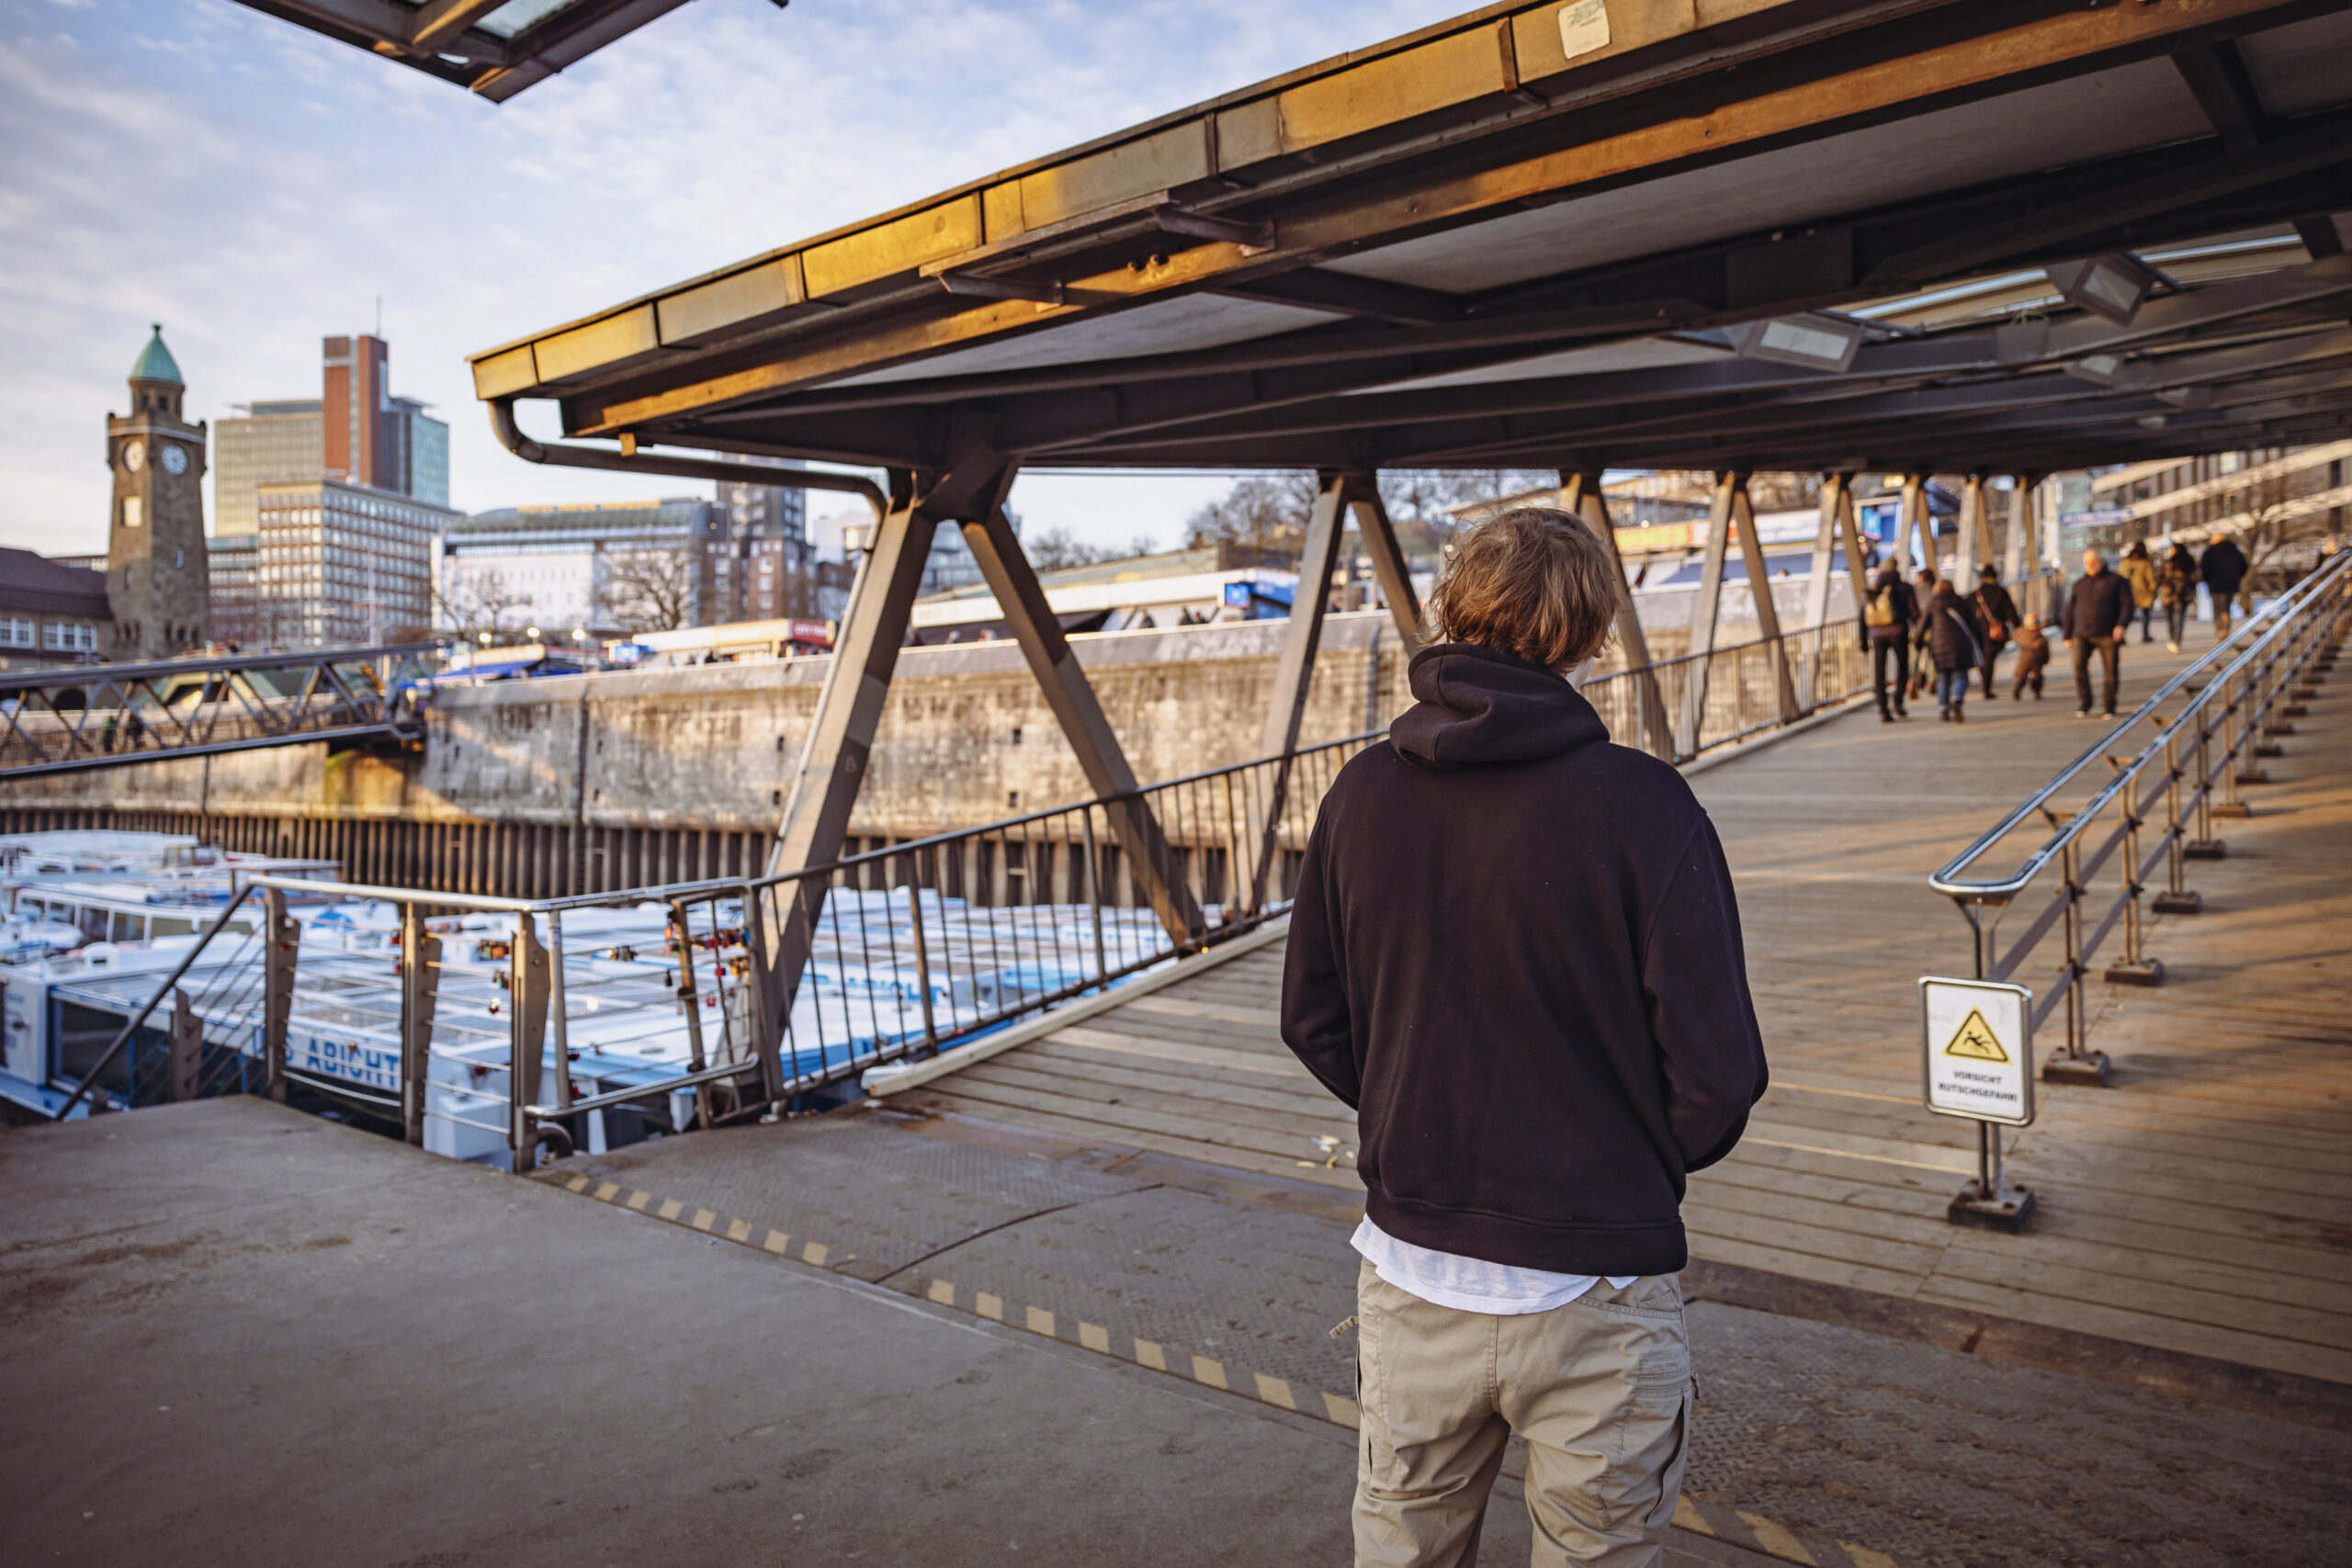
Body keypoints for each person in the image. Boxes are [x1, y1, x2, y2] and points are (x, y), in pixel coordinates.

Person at [1282, 506, 1767, 1568]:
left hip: (1412, 1274)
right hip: (1594, 1283)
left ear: (1452, 611)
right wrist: (1616, 1154)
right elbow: (1718, 1075)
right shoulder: (1645, 808)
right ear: (1592, 640)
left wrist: (1425, 1115)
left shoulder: (1361, 794)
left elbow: (1311, 1016)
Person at [2062, 547, 2132, 718]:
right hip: (2081, 633)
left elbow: (2127, 605)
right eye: (2087, 563)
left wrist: (2121, 625)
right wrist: (2067, 634)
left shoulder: (2117, 581)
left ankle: (2109, 706)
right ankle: (2086, 702)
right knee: (2079, 667)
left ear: (2102, 561)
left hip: (2107, 632)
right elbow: (2071, 609)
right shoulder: (2079, 584)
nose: (2091, 566)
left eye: (2094, 562)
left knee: (2110, 670)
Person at [1859, 562, 1920, 722]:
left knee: (1879, 672)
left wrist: (1863, 640)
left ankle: (1883, 709)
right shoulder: (1905, 587)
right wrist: (1918, 633)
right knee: (1903, 667)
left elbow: (1862, 617)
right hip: (1898, 632)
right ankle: (1898, 702)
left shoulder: (1871, 590)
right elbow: (1914, 612)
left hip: (1877, 634)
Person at [1922, 581, 1986, 723]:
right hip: (1961, 645)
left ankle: (1943, 709)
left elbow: (1922, 625)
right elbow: (1975, 625)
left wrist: (1917, 642)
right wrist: (1981, 643)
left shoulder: (1932, 604)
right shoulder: (1962, 602)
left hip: (1938, 646)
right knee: (1961, 675)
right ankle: (1957, 699)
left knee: (1942, 677)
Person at [1969, 565, 2019, 698]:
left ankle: (1985, 683)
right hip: (1995, 631)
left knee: (1983, 657)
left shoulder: (1975, 594)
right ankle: (1986, 687)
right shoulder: (2001, 592)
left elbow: (1969, 613)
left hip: (1978, 631)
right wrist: (2017, 627)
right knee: (1990, 659)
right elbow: (2010, 611)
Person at [2200, 534, 2248, 640]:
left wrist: (2207, 580)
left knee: (2217, 609)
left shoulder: (2210, 552)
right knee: (2226, 608)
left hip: (2216, 585)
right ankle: (2226, 629)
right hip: (2231, 584)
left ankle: (2220, 630)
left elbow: (2204, 569)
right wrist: (2236, 578)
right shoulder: (2235, 551)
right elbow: (2244, 567)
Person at [2157, 543, 2199, 652]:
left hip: (2169, 593)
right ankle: (2177, 641)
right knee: (2180, 618)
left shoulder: (2168, 563)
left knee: (2170, 618)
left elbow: (2160, 577)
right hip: (2184, 594)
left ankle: (2172, 640)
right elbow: (2195, 578)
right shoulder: (2189, 562)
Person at [1908, 568, 1940, 702]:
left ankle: (1912, 681)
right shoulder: (1936, 591)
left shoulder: (1913, 591)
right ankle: (1931, 682)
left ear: (1920, 578)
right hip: (1932, 629)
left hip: (1916, 628)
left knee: (1914, 655)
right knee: (1933, 656)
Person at [2120, 540, 2158, 643]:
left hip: (2128, 591)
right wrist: (2153, 587)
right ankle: (2145, 635)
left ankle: (2121, 635)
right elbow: (2150, 577)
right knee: (2145, 614)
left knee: (2128, 614)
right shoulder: (2145, 562)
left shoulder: (2125, 561)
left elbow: (2119, 575)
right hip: (2143, 591)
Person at [2011, 615, 2050, 700]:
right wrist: (2046, 659)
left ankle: (2018, 687)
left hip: (2024, 660)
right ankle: (2037, 691)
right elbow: (2045, 650)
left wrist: (2017, 631)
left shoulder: (2022, 635)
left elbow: (2014, 637)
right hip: (2037, 660)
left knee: (2021, 676)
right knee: (2037, 676)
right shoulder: (2041, 637)